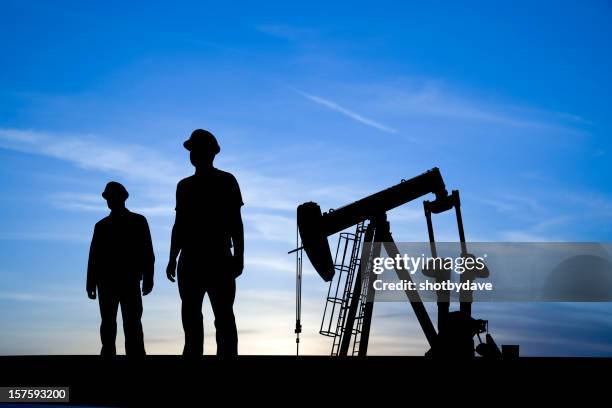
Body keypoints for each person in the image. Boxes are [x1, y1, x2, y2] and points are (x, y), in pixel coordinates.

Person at [166, 129, 244, 357]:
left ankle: (225, 360)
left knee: (223, 316)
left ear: (208, 153)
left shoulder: (226, 181)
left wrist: (239, 256)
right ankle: (193, 358)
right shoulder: (184, 186)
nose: (192, 154)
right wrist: (172, 257)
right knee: (192, 316)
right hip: (192, 258)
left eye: (195, 150)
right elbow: (179, 224)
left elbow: (236, 223)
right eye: (191, 150)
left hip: (217, 256)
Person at [87, 181, 155, 356]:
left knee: (132, 323)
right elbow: (94, 256)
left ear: (122, 198)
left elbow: (147, 252)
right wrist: (90, 283)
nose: (110, 201)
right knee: (108, 324)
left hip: (129, 280)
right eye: (108, 198)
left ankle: (135, 355)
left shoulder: (138, 221)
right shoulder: (101, 226)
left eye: (112, 197)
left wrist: (148, 277)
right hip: (107, 282)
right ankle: (110, 354)